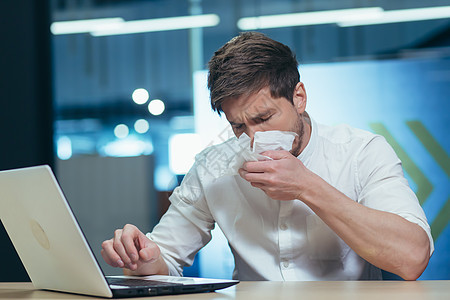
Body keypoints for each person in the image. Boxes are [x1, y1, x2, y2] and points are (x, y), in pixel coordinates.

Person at [101, 32, 433, 281]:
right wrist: (142, 258)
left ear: (299, 97)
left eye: (264, 118)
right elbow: (166, 258)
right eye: (238, 126)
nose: (254, 138)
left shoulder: (361, 151)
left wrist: (307, 187)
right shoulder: (213, 165)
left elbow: (411, 258)